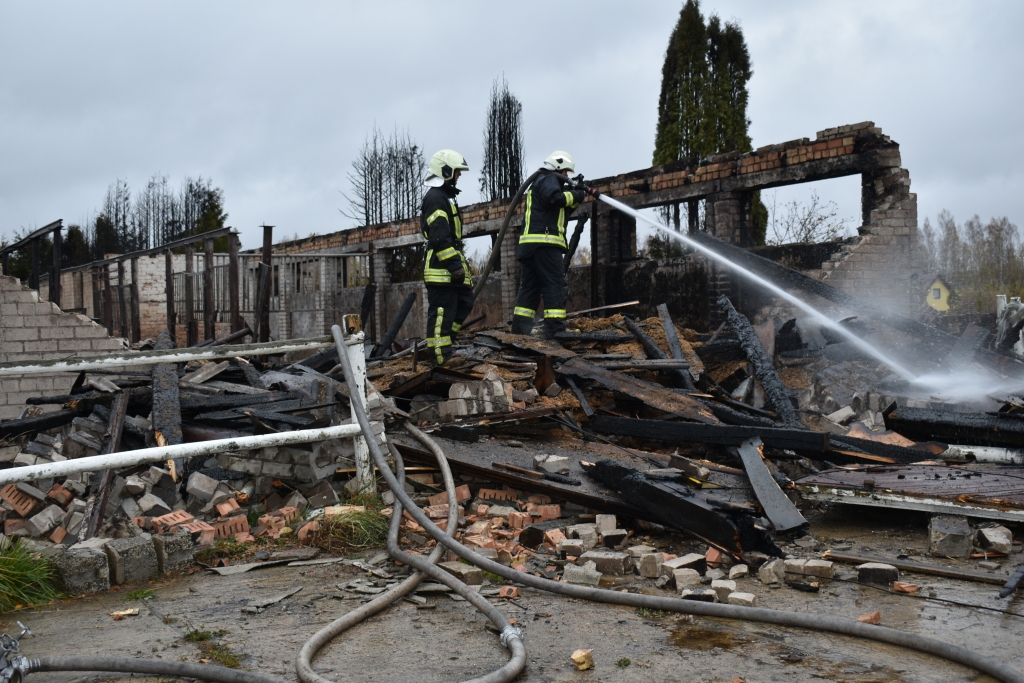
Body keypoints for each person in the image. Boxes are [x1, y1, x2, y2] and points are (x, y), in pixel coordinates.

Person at [510, 151, 594, 337]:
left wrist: (577, 194)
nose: (566, 177)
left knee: (530, 289)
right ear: (557, 167)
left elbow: (560, 207)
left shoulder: (541, 182)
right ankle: (555, 330)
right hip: (545, 243)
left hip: (530, 247)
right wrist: (576, 194)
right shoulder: (549, 178)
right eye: (565, 172)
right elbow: (555, 199)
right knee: (555, 285)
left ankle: (520, 331)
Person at [421, 149, 473, 365]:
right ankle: (440, 358)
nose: (458, 176)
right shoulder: (435, 198)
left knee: (465, 301)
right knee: (441, 312)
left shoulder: (444, 197)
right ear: (445, 171)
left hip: (448, 267)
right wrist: (454, 266)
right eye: (456, 172)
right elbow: (440, 237)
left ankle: (447, 343)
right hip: (440, 269)